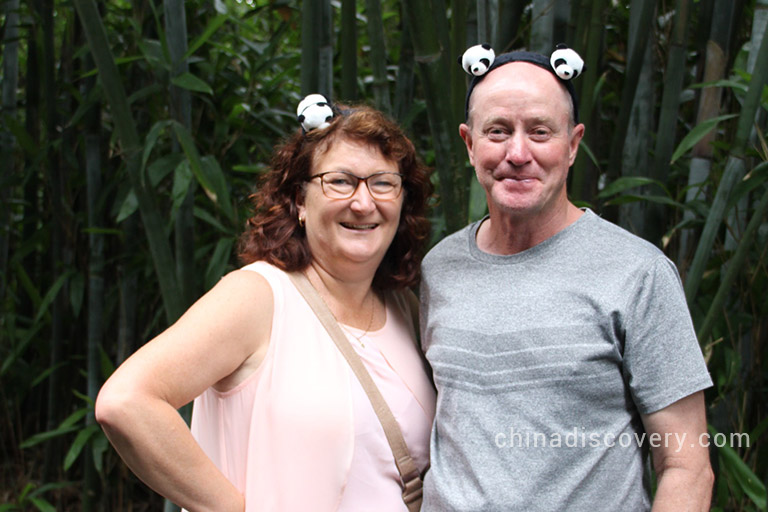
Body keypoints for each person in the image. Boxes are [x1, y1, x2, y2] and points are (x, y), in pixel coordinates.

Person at [95, 99, 435, 511]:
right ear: (299, 201)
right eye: (340, 181)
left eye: (383, 183)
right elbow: (127, 402)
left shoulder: (406, 308)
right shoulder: (259, 296)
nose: (364, 203)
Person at [419, 46, 714, 511]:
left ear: (573, 144)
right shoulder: (439, 269)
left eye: (540, 132)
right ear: (469, 144)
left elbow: (687, 465)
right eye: (497, 132)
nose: (518, 153)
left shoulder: (637, 272)